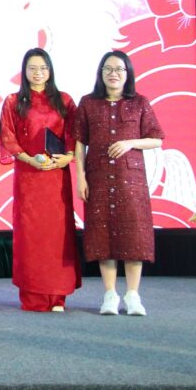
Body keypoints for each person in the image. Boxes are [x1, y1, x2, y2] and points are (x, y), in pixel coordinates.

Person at [75, 50, 164, 316]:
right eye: (108, 69)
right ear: (101, 73)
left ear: (128, 74)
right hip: (98, 177)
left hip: (131, 181)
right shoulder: (88, 103)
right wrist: (80, 176)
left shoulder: (140, 102)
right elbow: (79, 142)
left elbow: (157, 138)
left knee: (134, 236)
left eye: (119, 69)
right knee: (103, 236)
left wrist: (130, 143)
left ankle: (133, 295)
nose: (113, 74)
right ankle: (110, 295)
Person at [0, 49, 81, 312]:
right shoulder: (13, 101)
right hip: (29, 177)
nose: (38, 72)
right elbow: (8, 136)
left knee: (57, 236)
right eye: (32, 68)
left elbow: (75, 134)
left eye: (43, 67)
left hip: (56, 177)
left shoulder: (64, 100)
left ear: (50, 70)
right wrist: (29, 159)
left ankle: (57, 296)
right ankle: (33, 295)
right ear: (24, 71)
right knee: (31, 236)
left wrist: (68, 158)